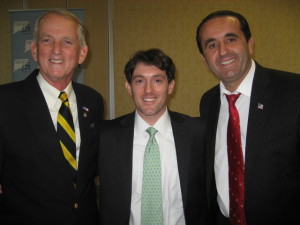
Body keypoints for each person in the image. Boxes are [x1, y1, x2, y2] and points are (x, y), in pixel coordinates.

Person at [196, 10, 300, 225]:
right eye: (212, 45)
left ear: (250, 44)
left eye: (231, 39)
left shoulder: (294, 91)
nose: (223, 51)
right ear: (204, 59)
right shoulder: (208, 102)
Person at [0, 9, 103, 225]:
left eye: (67, 42)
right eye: (47, 40)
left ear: (82, 53)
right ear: (35, 50)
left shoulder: (92, 101)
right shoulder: (5, 102)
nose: (56, 50)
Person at [98, 48, 207, 225]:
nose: (148, 90)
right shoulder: (106, 136)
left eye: (157, 80)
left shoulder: (198, 132)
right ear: (128, 87)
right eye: (139, 81)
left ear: (170, 86)